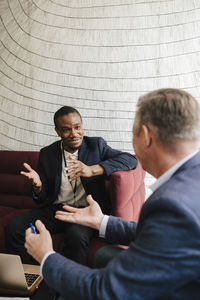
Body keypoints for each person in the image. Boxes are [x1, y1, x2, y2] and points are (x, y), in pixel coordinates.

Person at [25, 88, 200, 299]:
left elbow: (107, 290)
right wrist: (102, 222)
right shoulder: (189, 183)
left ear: (145, 136)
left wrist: (46, 257)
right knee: (105, 256)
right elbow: (157, 232)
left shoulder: (170, 203)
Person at [5, 106, 137, 265]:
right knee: (13, 228)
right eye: (66, 130)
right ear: (57, 131)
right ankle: (32, 280)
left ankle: (72, 287)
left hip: (86, 211)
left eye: (77, 127)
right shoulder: (47, 153)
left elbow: (130, 160)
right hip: (57, 210)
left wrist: (92, 170)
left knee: (76, 237)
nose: (74, 134)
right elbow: (42, 197)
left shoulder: (96, 145)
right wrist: (38, 186)